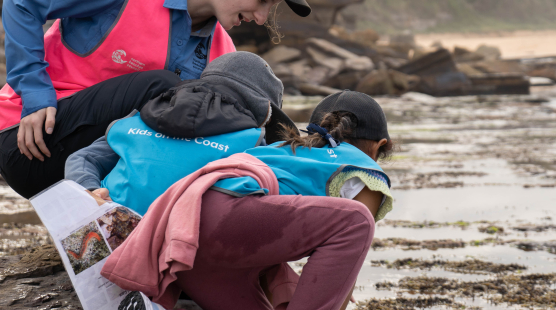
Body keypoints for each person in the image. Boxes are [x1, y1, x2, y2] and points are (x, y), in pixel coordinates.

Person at [0, 0, 311, 198]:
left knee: (236, 118)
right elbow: (21, 1)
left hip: (99, 166)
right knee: (166, 88)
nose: (261, 17)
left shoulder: (223, 51)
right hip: (31, 142)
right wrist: (34, 95)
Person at [100, 90, 396, 310]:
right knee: (357, 221)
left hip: (186, 235)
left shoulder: (284, 148)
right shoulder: (364, 168)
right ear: (379, 146)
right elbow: (346, 254)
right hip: (227, 218)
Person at [65, 51, 296, 215]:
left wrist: (90, 191)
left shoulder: (140, 118)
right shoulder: (252, 142)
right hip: (185, 248)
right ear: (262, 111)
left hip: (111, 228)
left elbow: (81, 158)